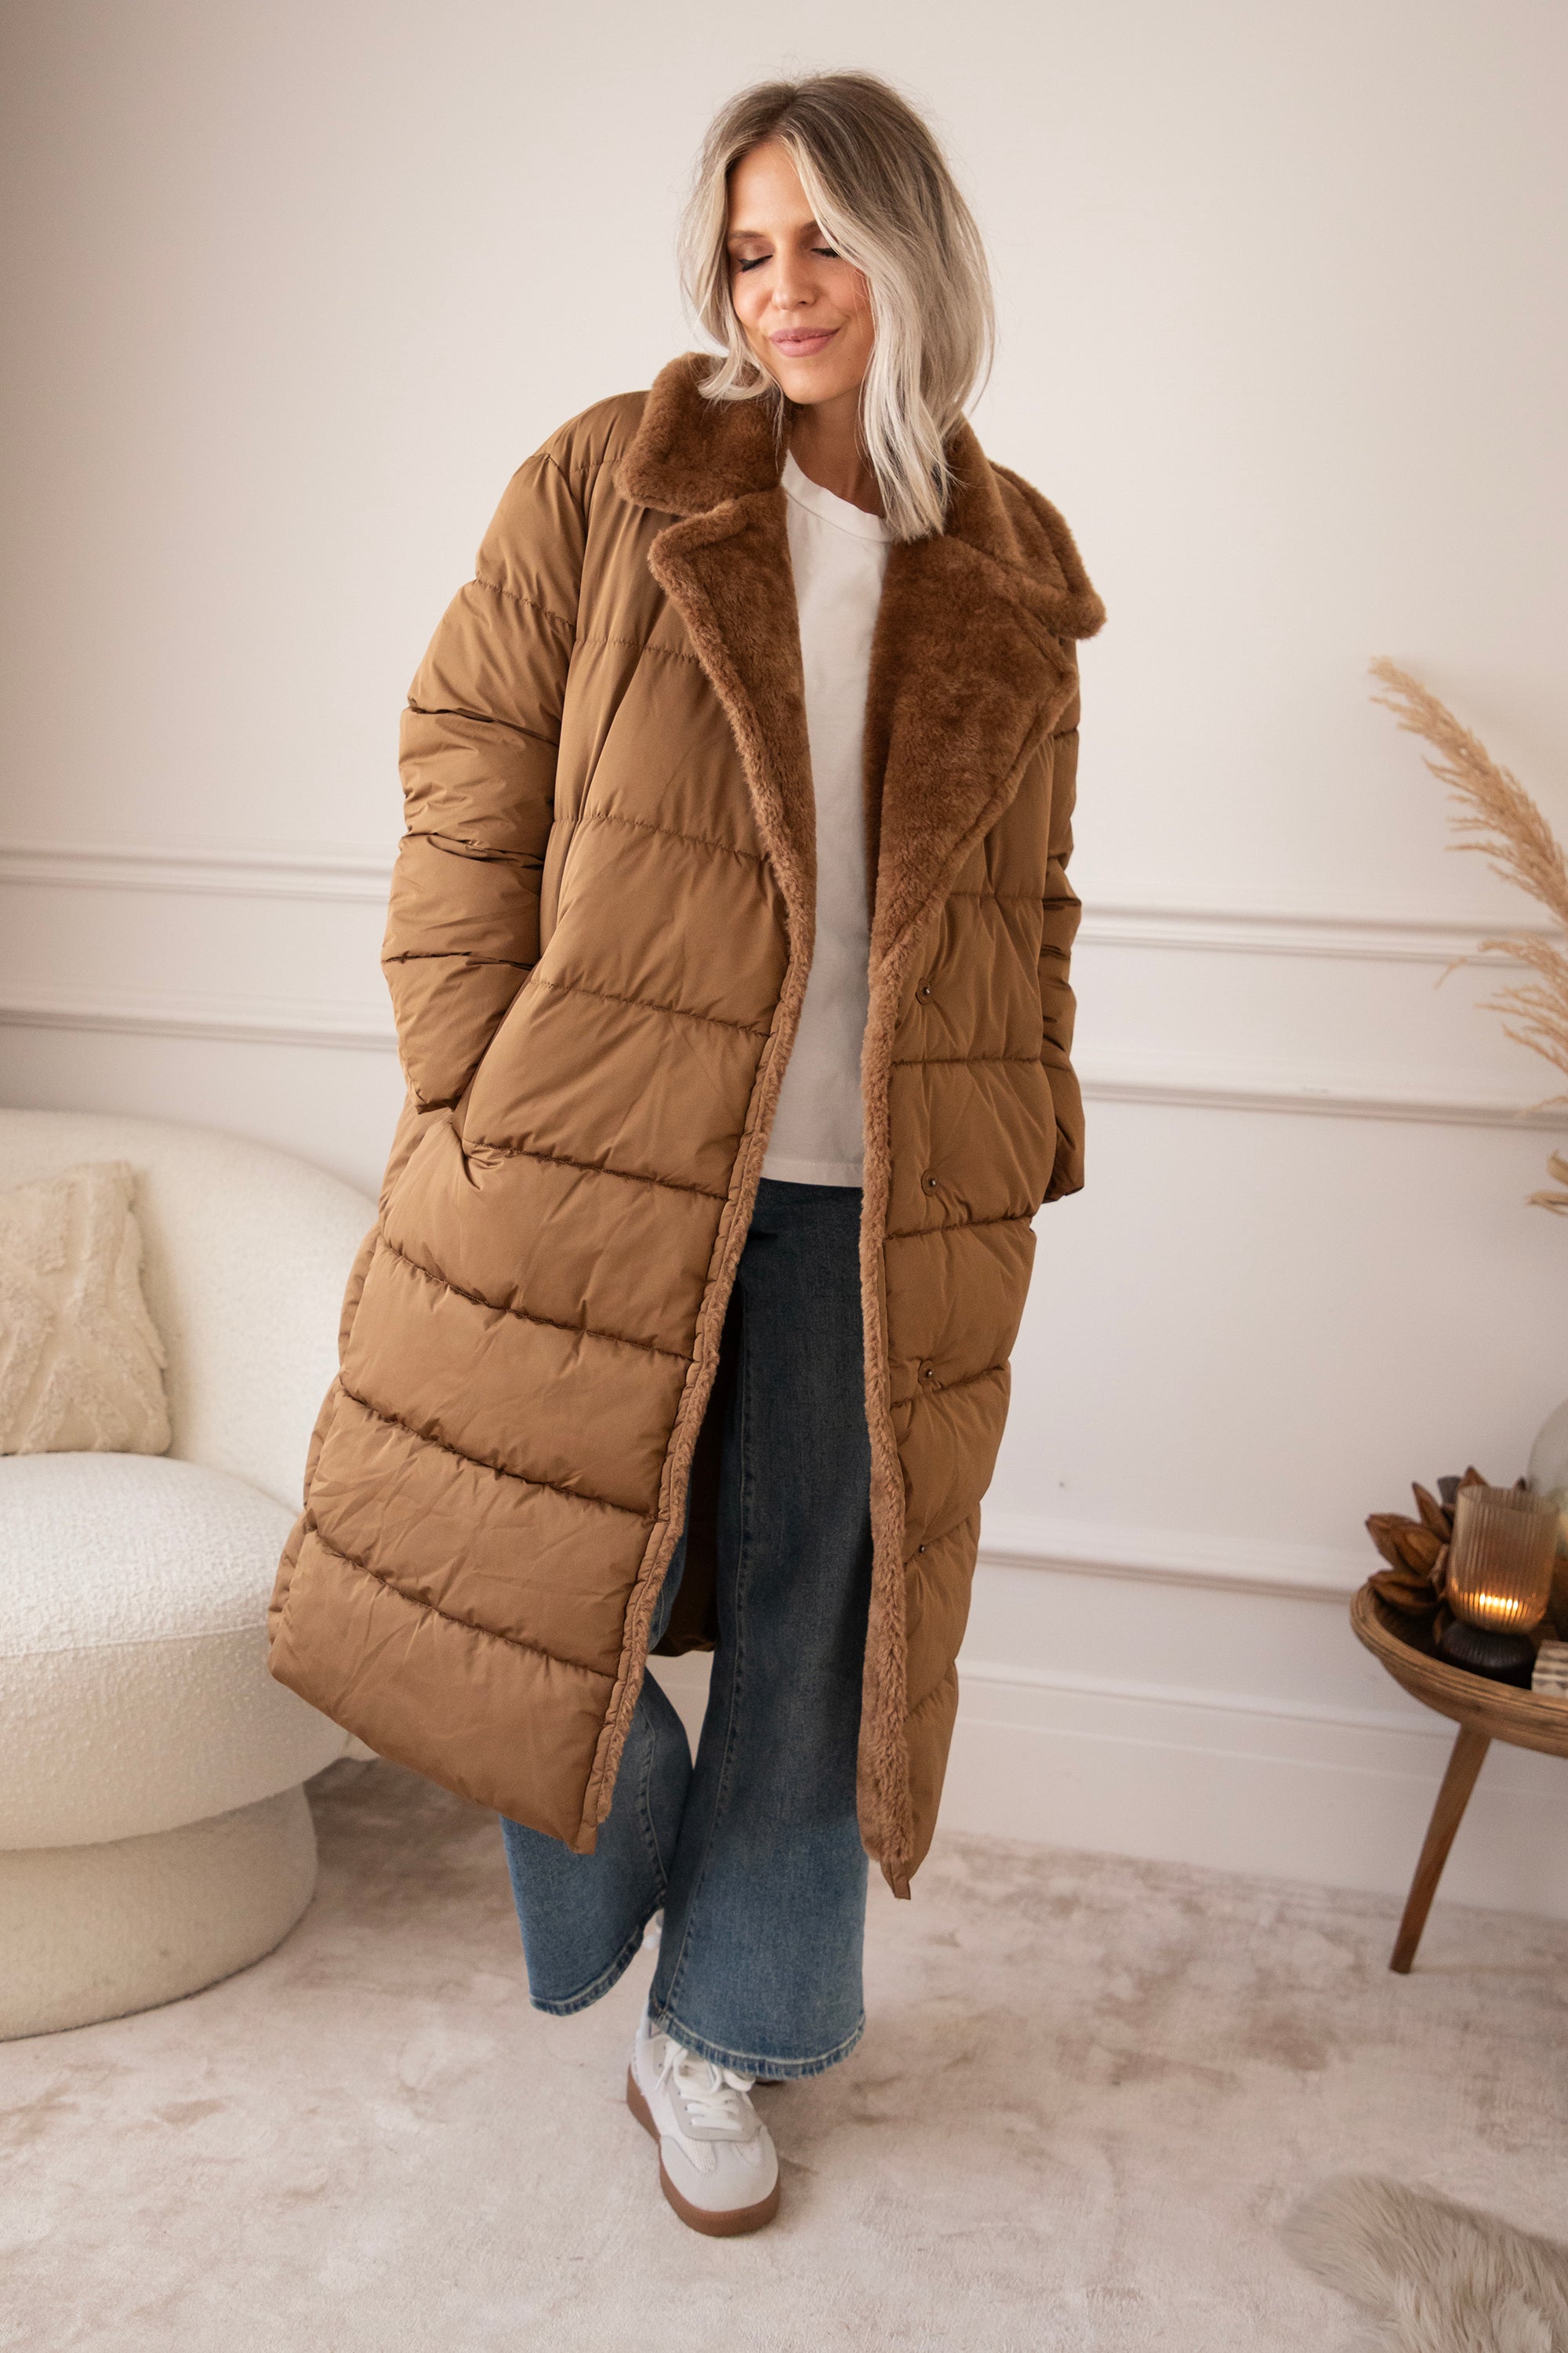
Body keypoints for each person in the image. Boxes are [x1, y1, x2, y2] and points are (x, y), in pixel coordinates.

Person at [268, 69, 1104, 2237]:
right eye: (751, 247)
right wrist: (468, 1063)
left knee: (821, 1615)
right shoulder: (612, 481)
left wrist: (1022, 1123)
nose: (784, 287)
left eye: (827, 241)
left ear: (915, 258)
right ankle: (635, 1851)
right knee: (525, 1573)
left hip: (872, 1184)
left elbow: (1033, 897)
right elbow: (465, 754)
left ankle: (722, 2028)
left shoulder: (1011, 569)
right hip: (596, 1140)